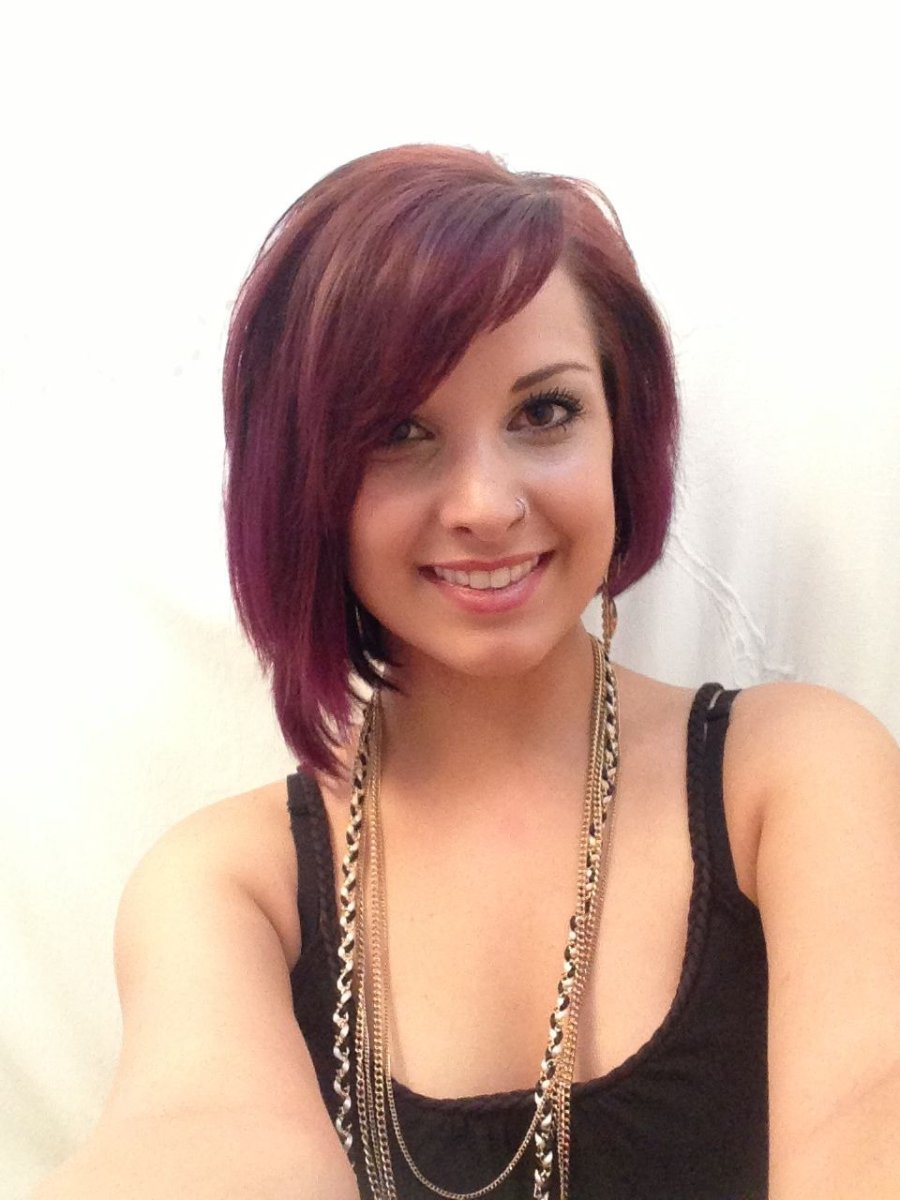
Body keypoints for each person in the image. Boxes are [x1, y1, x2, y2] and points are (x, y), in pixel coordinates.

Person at [36, 145, 900, 1200]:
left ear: (620, 433)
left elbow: (872, 1109)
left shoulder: (794, 777)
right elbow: (196, 1137)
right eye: (401, 432)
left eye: (544, 413)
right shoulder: (226, 884)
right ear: (303, 482)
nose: (487, 504)